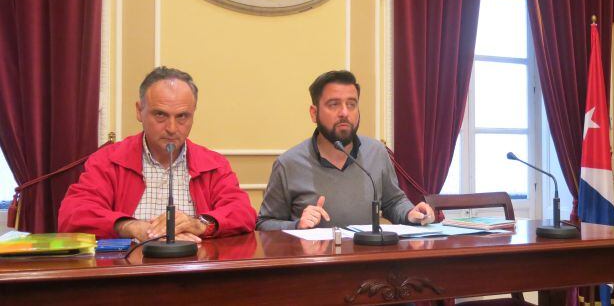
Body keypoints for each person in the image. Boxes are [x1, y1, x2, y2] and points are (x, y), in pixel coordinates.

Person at [59, 67, 256, 242]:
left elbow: (243, 212)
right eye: (160, 115)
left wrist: (198, 224)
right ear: (139, 111)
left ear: (193, 114)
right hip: (128, 271)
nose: (172, 128)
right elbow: (74, 215)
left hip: (196, 271)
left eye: (182, 117)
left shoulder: (213, 164)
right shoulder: (108, 161)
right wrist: (131, 227)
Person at [257, 70, 434, 230]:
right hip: (314, 263)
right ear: (313, 113)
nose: (344, 112)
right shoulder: (288, 164)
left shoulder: (377, 152)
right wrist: (297, 225)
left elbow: (393, 202)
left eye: (351, 104)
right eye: (334, 104)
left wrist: (410, 213)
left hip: (366, 261)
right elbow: (264, 223)